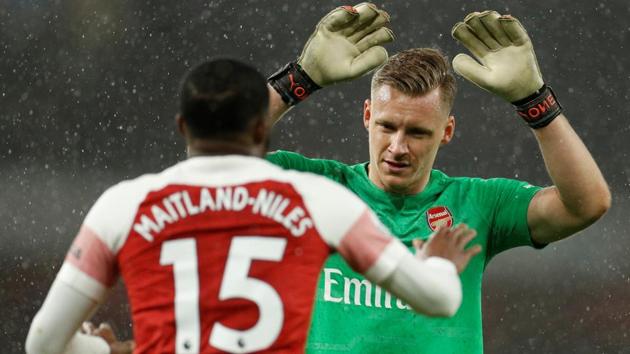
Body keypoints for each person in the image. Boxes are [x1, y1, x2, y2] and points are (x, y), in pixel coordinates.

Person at [25, 9, 482, 353]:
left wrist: (103, 348)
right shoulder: (319, 202)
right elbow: (438, 300)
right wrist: (438, 262)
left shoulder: (125, 205)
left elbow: (43, 342)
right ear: (262, 129)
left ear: (183, 126)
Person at [265, 8, 611, 354]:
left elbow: (587, 204)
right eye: (387, 126)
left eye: (417, 132)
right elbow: (213, 161)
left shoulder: (477, 204)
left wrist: (534, 100)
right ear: (368, 116)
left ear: (446, 132)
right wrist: (299, 79)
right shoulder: (317, 187)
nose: (398, 147)